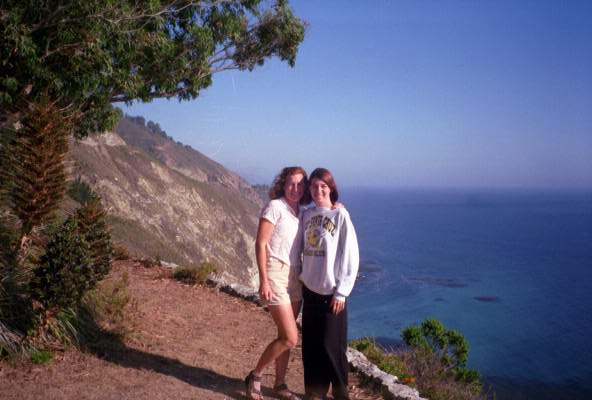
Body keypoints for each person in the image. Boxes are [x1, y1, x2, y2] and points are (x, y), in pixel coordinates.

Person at [245, 166, 310, 400]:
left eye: (300, 184)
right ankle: (255, 376)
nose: (295, 188)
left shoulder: (302, 213)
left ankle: (280, 384)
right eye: (291, 183)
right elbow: (261, 243)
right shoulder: (275, 207)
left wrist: (337, 207)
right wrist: (264, 280)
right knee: (291, 337)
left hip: (296, 276)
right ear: (283, 184)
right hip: (275, 274)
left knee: (284, 336)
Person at [299, 168, 359, 400]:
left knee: (332, 348)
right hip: (309, 290)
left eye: (323, 186)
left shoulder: (340, 216)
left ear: (331, 188)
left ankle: (341, 394)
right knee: (311, 346)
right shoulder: (306, 214)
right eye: (314, 186)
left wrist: (342, 292)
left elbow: (351, 255)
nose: (318, 190)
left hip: (331, 294)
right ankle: (315, 392)